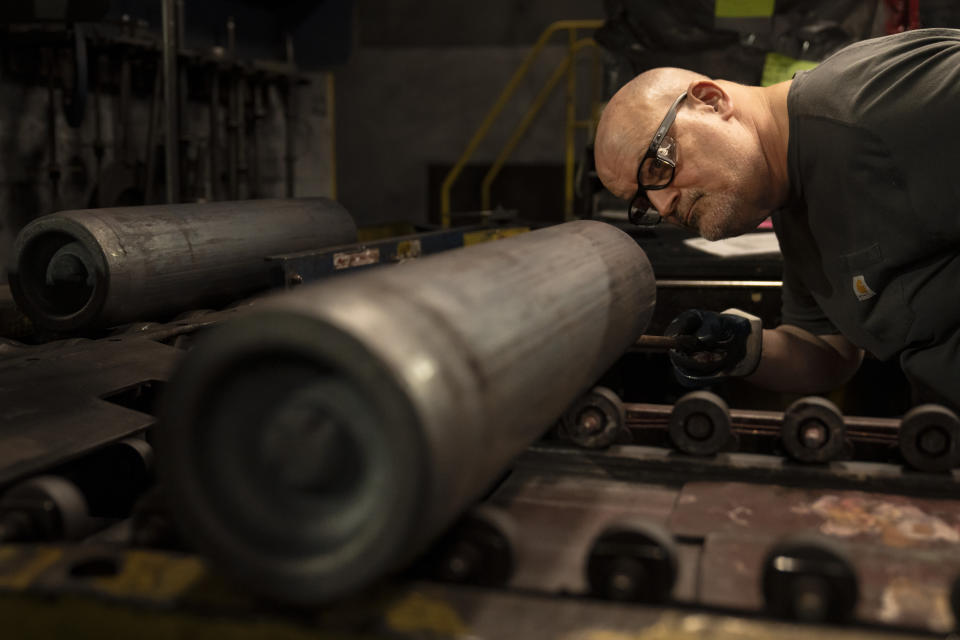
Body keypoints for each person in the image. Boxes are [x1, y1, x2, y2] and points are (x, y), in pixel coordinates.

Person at [593, 28, 960, 409]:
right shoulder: (792, 200)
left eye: (658, 166)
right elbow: (827, 351)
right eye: (643, 200)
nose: (663, 204)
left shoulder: (877, 99)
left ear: (711, 101)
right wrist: (742, 347)